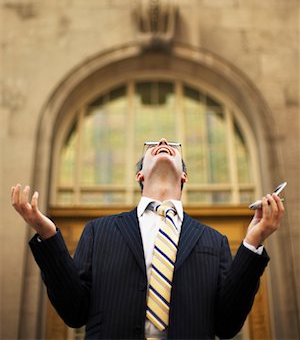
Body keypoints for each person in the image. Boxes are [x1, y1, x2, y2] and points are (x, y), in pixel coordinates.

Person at [11, 138, 285, 340]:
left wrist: (251, 243)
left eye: (173, 146)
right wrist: (47, 236)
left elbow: (227, 324)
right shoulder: (99, 231)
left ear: (184, 176)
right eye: (153, 145)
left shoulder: (215, 241)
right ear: (140, 175)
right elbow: (74, 312)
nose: (164, 142)